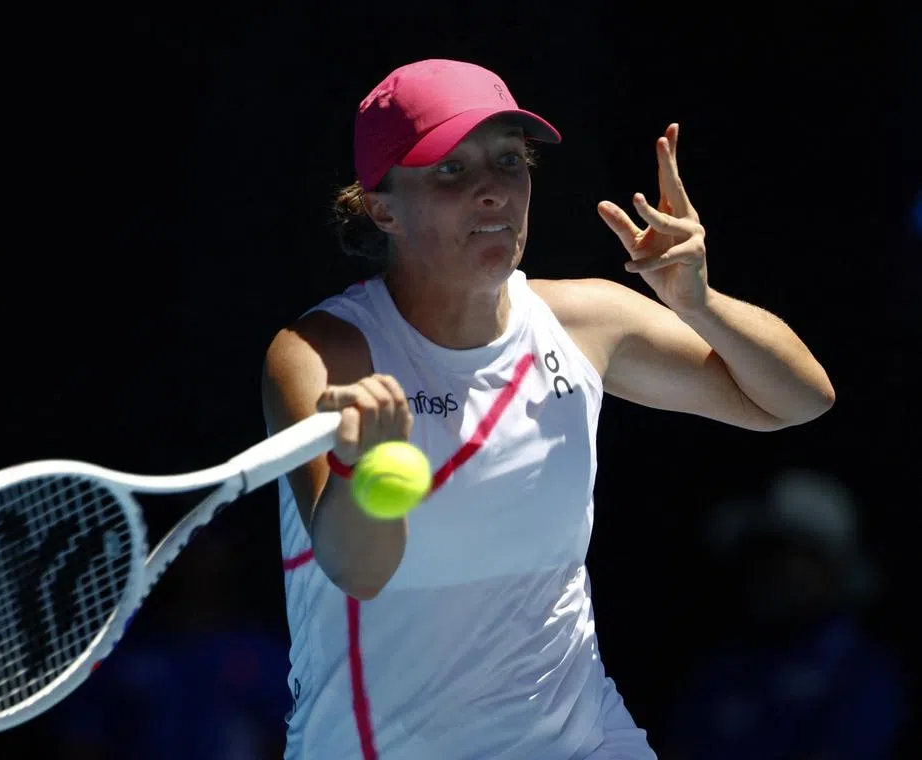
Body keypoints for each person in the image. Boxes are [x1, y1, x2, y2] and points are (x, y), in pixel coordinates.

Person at [260, 58, 835, 760]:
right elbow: (360, 571)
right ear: (382, 208)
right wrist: (364, 468)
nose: (492, 191)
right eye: (450, 169)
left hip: (582, 739)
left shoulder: (585, 320)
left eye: (509, 161)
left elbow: (798, 401)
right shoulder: (323, 352)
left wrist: (699, 304)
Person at [660, 469, 904, 760]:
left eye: (792, 555)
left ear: (832, 571)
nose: (772, 572)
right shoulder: (723, 663)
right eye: (763, 553)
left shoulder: (860, 674)